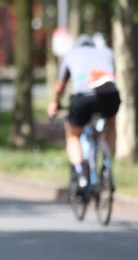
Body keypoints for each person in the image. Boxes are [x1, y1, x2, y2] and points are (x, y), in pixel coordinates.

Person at [47, 33, 121, 189]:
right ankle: (107, 166)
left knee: (73, 134)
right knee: (111, 123)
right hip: (109, 96)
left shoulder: (71, 54)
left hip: (82, 98)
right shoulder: (107, 52)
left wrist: (55, 102)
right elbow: (113, 77)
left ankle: (81, 174)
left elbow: (60, 87)